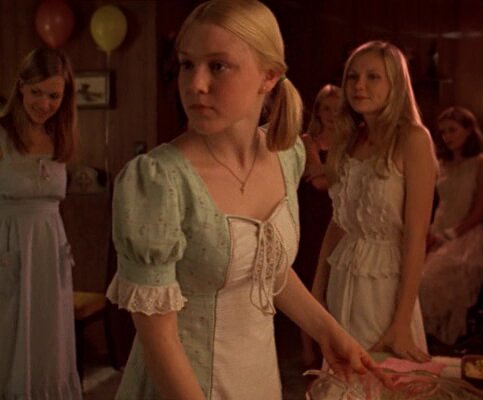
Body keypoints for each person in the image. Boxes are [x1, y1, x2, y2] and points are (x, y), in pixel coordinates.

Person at [105, 1, 380, 399]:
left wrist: (328, 331)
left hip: (257, 378)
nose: (196, 84)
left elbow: (267, 270)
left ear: (269, 76)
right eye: (187, 64)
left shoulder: (286, 156)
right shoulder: (158, 181)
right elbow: (158, 339)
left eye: (218, 66)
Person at [0, 47, 82, 399]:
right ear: (21, 86)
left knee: (48, 344)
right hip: (2, 254)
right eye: (37, 92)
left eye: (54, 95)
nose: (44, 103)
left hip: (48, 257)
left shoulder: (60, 137)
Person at [311, 40, 436, 363]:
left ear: (395, 83)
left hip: (385, 285)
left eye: (373, 77)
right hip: (344, 275)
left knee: (383, 377)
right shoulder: (350, 139)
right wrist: (317, 289)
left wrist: (401, 324)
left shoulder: (413, 139)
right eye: (352, 77)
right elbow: (340, 221)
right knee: (342, 374)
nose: (359, 85)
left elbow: (416, 237)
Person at [419, 106, 483, 346]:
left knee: (426, 281)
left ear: (469, 130)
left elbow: (479, 212)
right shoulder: (441, 163)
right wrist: (428, 234)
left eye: (452, 130)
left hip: (465, 236)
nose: (447, 137)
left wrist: (448, 235)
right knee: (405, 275)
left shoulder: (482, 164)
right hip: (437, 231)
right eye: (443, 132)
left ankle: (436, 341)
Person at [296, 84, 342, 368]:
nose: (331, 114)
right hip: (314, 216)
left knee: (335, 281)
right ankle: (307, 350)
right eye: (326, 108)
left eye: (337, 109)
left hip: (341, 215)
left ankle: (334, 346)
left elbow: (325, 175)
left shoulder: (351, 140)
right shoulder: (307, 140)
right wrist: (339, 172)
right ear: (318, 111)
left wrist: (326, 170)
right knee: (309, 280)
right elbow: (320, 184)